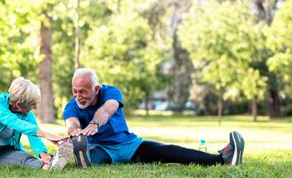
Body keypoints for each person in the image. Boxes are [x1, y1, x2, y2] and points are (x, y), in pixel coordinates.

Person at [63, 68, 245, 168]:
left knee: (169, 151)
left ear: (96, 90)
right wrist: (75, 132)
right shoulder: (72, 105)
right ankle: (84, 157)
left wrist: (95, 123)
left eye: (83, 92)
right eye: (75, 91)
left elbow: (108, 109)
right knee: (87, 151)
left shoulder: (110, 92)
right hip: (100, 149)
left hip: (129, 146)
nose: (78, 96)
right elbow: (71, 122)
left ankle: (223, 160)